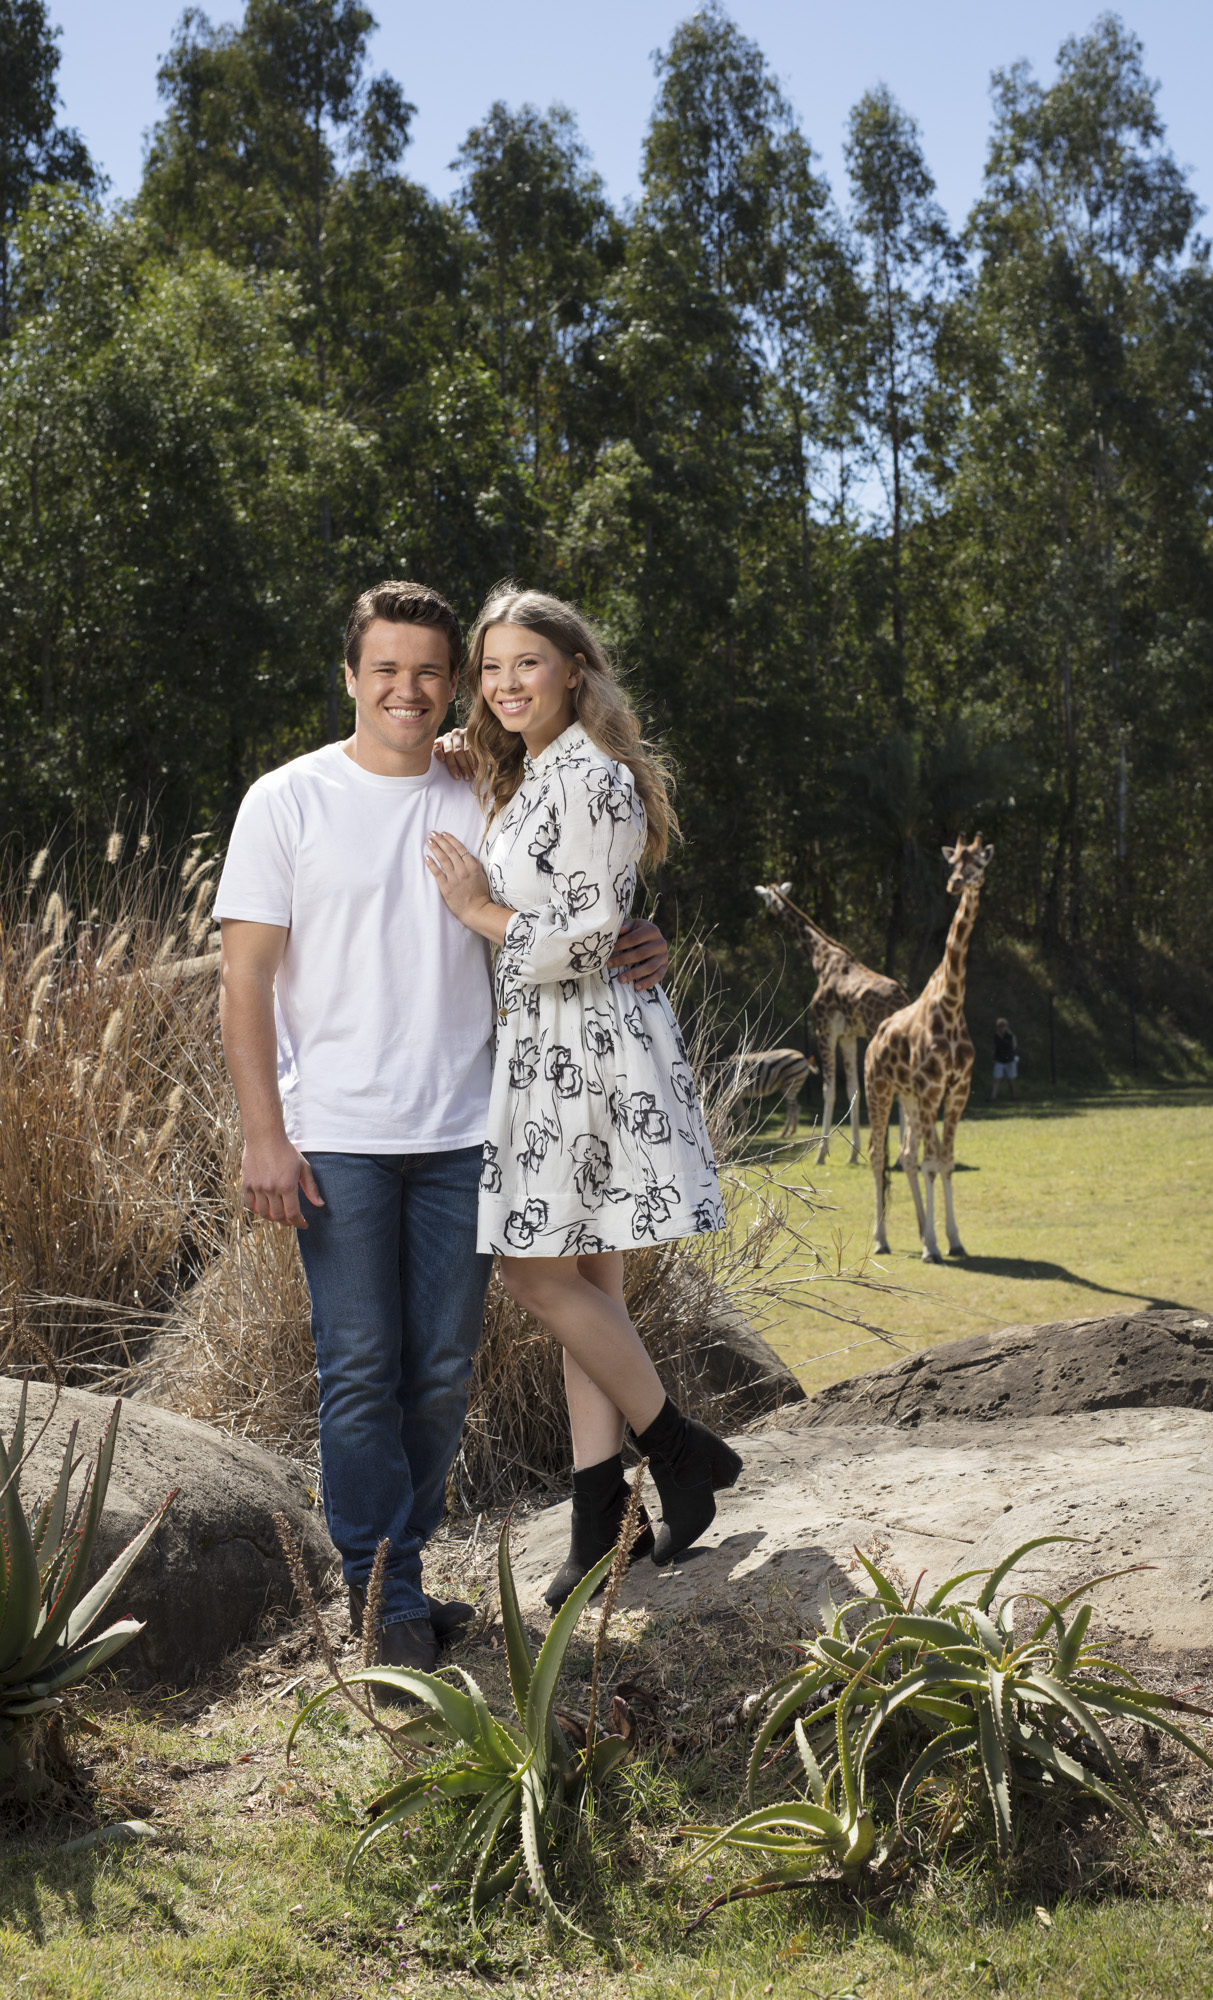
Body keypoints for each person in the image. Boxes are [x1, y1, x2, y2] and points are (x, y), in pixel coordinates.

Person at [213, 580, 669, 1679]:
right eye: (387, 669)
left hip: (474, 1127)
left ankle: (400, 1577)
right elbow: (245, 978)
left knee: (441, 1373)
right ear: (351, 675)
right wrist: (264, 1133)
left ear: (450, 682)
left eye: (429, 670)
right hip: (338, 1133)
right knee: (362, 1366)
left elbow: (568, 908)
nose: (408, 689)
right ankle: (384, 1596)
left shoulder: (484, 788)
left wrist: (634, 936)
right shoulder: (287, 799)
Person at [423, 585, 742, 1609]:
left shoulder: (593, 777)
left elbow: (587, 932)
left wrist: (474, 905)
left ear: (572, 668)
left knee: (530, 1270)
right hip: (547, 1046)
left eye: (528, 662)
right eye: (492, 668)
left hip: (584, 1048)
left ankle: (678, 1447)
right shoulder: (528, 777)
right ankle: (603, 1520)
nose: (508, 682)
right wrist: (470, 771)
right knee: (589, 1289)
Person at [991, 1017, 1019, 1101]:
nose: (1002, 1028)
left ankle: (1013, 1096)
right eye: (1000, 1026)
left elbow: (1014, 1047)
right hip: (999, 1060)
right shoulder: (996, 1036)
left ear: (1006, 1026)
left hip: (1009, 1061)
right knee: (996, 1079)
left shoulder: (1010, 1036)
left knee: (1011, 1079)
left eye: (1003, 1026)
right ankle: (993, 1097)